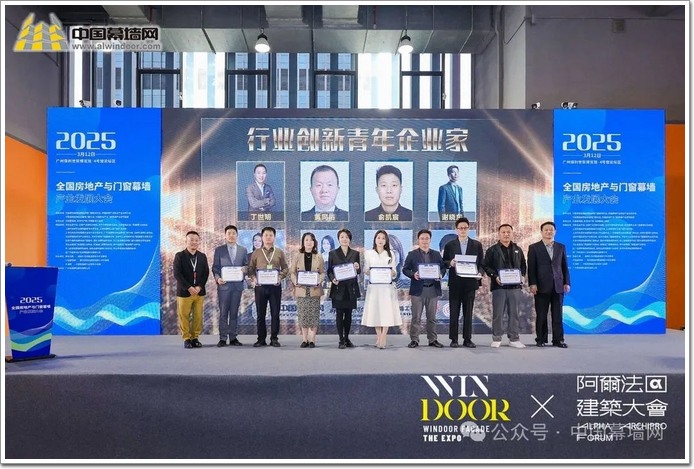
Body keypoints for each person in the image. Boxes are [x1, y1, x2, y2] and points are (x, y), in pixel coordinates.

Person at [483, 224, 527, 349]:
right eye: (503, 232)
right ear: (499, 234)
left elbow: (523, 265)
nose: (506, 234)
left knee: (514, 313)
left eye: (508, 232)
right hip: (499, 287)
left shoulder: (518, 249)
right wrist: (495, 276)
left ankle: (514, 338)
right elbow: (486, 266)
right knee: (498, 313)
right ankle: (497, 338)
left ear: (512, 233)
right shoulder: (492, 250)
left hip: (515, 287)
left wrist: (522, 276)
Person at [527, 221, 571, 348]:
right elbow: (531, 268)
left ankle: (558, 340)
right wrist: (532, 283)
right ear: (541, 232)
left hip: (558, 285)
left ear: (555, 231)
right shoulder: (534, 247)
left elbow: (564, 266)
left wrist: (567, 282)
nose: (548, 232)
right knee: (541, 314)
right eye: (546, 230)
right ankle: (540, 339)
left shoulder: (561, 247)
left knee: (558, 315)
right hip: (541, 286)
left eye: (551, 229)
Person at [442, 217, 484, 348]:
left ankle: (467, 339)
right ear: (456, 230)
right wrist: (450, 263)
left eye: (465, 228)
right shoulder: (450, 245)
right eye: (460, 228)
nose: (463, 230)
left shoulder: (476, 245)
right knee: (454, 313)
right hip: (455, 283)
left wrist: (480, 274)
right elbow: (444, 262)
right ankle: (454, 339)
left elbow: (481, 263)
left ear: (469, 229)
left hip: (470, 283)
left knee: (468, 312)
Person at [403, 229, 447, 348]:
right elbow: (405, 269)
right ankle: (414, 339)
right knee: (416, 317)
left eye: (427, 238)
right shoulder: (412, 254)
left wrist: (440, 274)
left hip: (432, 289)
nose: (424, 241)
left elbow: (443, 268)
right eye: (422, 238)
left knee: (432, 317)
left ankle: (432, 339)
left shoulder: (436, 254)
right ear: (418, 240)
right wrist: (413, 274)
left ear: (430, 240)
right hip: (418, 289)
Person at [247, 226, 289, 347]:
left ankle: (274, 338)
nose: (268, 237)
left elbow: (285, 268)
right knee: (260, 314)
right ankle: (261, 339)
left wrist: (280, 277)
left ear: (274, 237)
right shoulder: (256, 252)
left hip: (275, 287)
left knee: (275, 314)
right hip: (260, 287)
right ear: (262, 237)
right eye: (266, 235)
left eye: (271, 235)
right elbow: (251, 269)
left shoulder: (279, 252)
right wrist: (254, 278)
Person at [361, 230, 403, 349]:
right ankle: (379, 336)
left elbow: (394, 272)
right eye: (378, 238)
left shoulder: (391, 254)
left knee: (386, 312)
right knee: (376, 312)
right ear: (375, 239)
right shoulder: (368, 253)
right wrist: (369, 271)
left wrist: (392, 273)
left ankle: (383, 337)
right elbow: (365, 269)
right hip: (374, 288)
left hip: (386, 288)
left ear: (386, 241)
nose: (380, 240)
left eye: (383, 238)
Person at [212, 225, 248, 347]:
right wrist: (218, 278)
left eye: (233, 233)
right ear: (225, 235)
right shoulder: (219, 250)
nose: (231, 235)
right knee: (223, 313)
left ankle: (233, 337)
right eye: (229, 233)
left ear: (237, 235)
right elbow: (215, 268)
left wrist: (245, 269)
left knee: (234, 312)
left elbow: (246, 265)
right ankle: (222, 338)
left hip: (237, 286)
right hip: (224, 286)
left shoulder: (243, 250)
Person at [173, 230, 210, 349]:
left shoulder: (202, 256)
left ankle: (195, 338)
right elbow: (177, 274)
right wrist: (189, 287)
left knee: (198, 316)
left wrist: (199, 286)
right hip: (185, 292)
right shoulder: (179, 255)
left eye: (196, 240)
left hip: (199, 292)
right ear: (186, 241)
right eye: (191, 240)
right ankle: (186, 338)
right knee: (184, 316)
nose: (194, 242)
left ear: (199, 241)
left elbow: (206, 273)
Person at [290, 232, 326, 348]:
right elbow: (292, 272)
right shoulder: (297, 256)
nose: (309, 242)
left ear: (314, 242)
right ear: (303, 242)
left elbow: (322, 272)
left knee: (314, 315)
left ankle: (312, 340)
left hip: (314, 290)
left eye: (311, 240)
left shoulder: (319, 256)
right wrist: (295, 281)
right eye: (306, 240)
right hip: (301, 289)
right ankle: (304, 339)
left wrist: (319, 280)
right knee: (303, 315)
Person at [327, 229, 361, 349]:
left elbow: (359, 271)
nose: (344, 239)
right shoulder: (333, 253)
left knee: (349, 315)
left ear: (350, 239)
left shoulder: (355, 253)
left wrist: (357, 267)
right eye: (342, 237)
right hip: (338, 288)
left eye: (346, 237)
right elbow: (329, 271)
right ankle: (341, 340)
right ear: (338, 239)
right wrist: (333, 279)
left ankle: (347, 338)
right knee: (339, 314)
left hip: (351, 288)